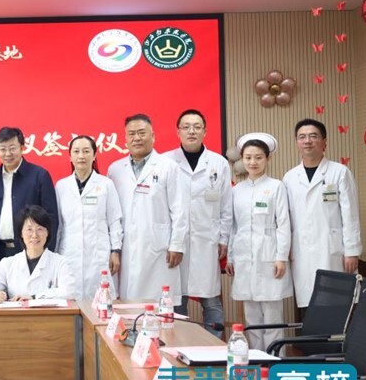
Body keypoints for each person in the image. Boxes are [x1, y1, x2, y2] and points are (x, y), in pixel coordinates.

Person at [0, 205, 75, 380]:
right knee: (8, 356)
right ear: (21, 233)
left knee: (45, 359)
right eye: (29, 229)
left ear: (48, 233)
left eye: (40, 229)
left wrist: (35, 297)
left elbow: (69, 292)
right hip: (12, 334)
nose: (34, 235)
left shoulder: (59, 262)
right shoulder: (8, 263)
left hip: (47, 334)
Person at [107, 114, 187, 305]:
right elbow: (111, 214)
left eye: (142, 133)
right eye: (131, 134)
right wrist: (113, 247)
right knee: (127, 305)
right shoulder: (115, 169)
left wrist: (177, 245)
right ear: (125, 138)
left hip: (158, 247)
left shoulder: (168, 167)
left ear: (153, 136)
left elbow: (180, 210)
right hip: (126, 247)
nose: (137, 138)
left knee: (158, 305)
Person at [167, 109, 232, 338]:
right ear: (178, 132)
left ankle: (214, 349)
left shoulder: (219, 163)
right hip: (176, 242)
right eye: (186, 127)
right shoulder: (166, 162)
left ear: (205, 131)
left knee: (211, 300)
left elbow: (226, 205)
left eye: (197, 127)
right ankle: (179, 349)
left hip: (207, 240)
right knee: (178, 300)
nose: (191, 131)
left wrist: (224, 238)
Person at [283, 119, 361, 309]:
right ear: (297, 143)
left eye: (313, 136)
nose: (307, 141)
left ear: (324, 141)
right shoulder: (290, 177)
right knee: (309, 306)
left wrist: (352, 251)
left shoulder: (339, 172)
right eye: (302, 137)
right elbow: (286, 219)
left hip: (333, 250)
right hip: (302, 250)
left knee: (336, 305)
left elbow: (350, 215)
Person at [226, 134, 292, 351]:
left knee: (272, 317)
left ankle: (275, 361)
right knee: (251, 317)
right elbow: (233, 226)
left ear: (267, 159)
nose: (253, 162)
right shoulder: (236, 190)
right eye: (248, 158)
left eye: (258, 157)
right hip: (244, 257)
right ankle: (256, 358)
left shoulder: (276, 186)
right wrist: (231, 257)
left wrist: (281, 257)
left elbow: (283, 224)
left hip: (270, 255)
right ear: (242, 159)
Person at [0, 126, 58, 273]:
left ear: (22, 148)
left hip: (30, 249)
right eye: (3, 149)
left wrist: (47, 251)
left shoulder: (39, 176)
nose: (7, 154)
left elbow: (51, 218)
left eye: (12, 148)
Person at [55, 135, 124, 300]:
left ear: (94, 155)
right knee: (70, 298)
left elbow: (114, 221)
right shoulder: (61, 186)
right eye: (76, 151)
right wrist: (55, 255)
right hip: (69, 252)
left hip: (98, 254)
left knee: (100, 300)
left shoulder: (105, 184)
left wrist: (115, 251)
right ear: (70, 156)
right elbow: (59, 225)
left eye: (86, 151)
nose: (81, 156)